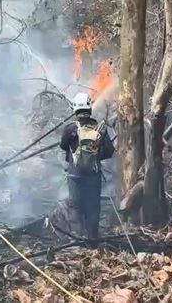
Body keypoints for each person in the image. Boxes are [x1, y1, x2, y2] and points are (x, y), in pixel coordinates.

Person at [59, 92, 114, 240]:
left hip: (74, 175)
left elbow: (63, 146)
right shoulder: (99, 129)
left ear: (75, 109)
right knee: (93, 208)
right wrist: (95, 156)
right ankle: (92, 242)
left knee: (76, 206)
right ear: (89, 109)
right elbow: (109, 151)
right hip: (93, 176)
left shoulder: (70, 129)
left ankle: (77, 240)